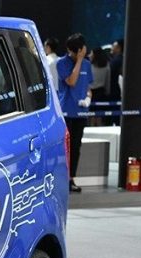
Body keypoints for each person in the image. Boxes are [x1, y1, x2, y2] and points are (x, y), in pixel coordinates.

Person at [56, 33, 93, 194]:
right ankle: (61, 178)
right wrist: (78, 61)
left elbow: (88, 87)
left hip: (81, 112)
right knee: (65, 147)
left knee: (76, 146)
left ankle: (71, 179)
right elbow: (71, 81)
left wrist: (88, 98)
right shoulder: (62, 63)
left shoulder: (87, 64)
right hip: (66, 111)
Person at [88, 47, 110, 125]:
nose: (89, 55)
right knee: (100, 115)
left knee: (91, 116)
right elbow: (108, 80)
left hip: (90, 92)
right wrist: (107, 92)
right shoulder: (106, 65)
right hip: (101, 92)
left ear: (94, 55)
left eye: (91, 53)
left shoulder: (89, 66)